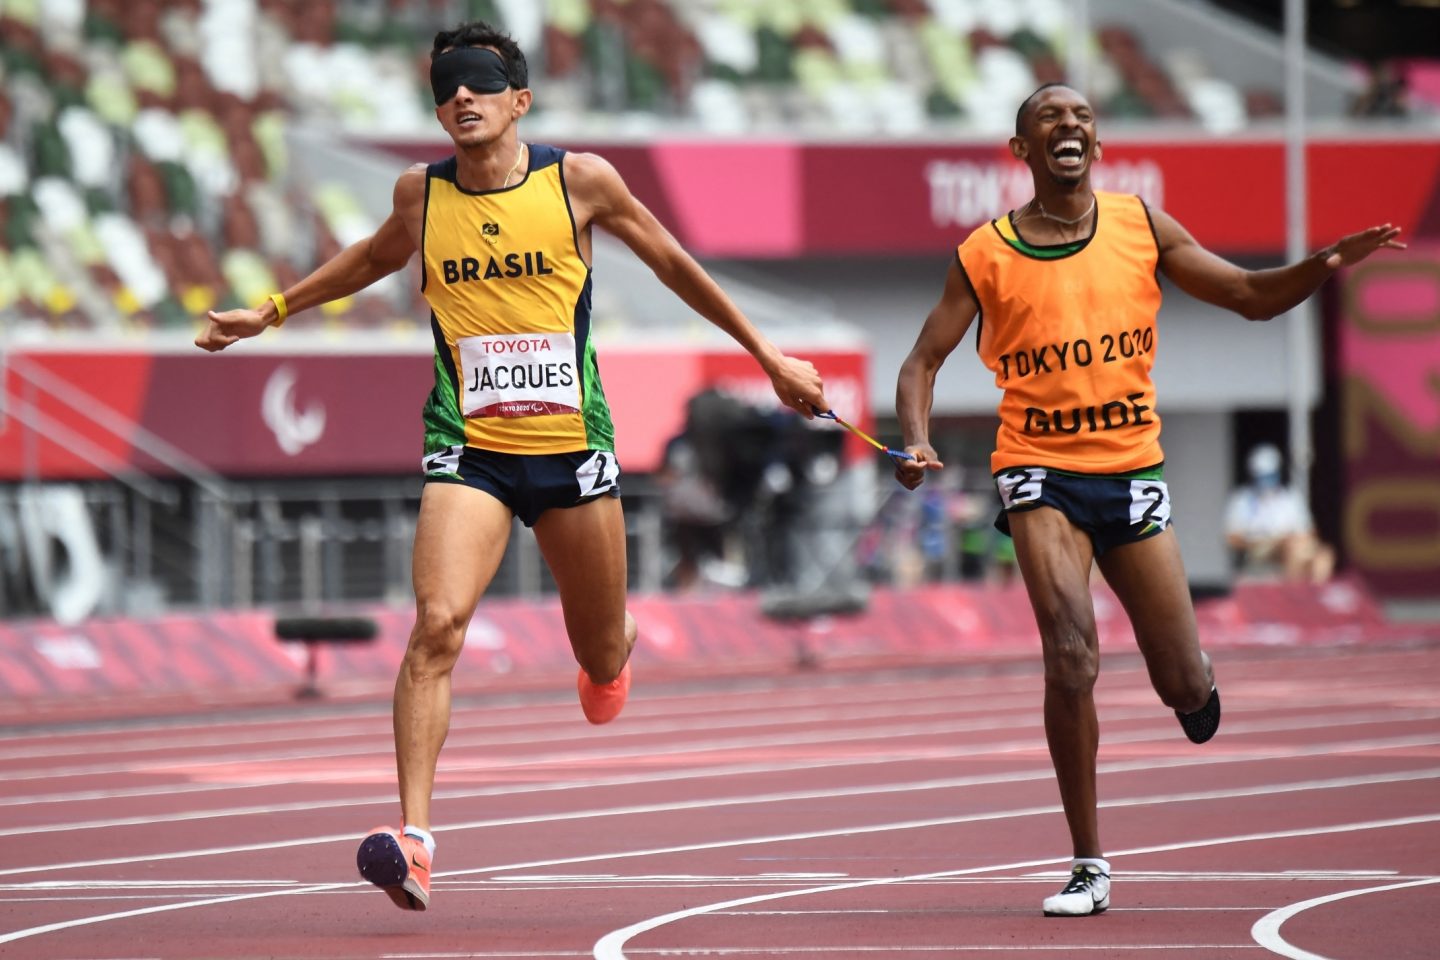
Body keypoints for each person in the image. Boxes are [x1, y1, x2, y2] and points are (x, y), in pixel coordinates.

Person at [195, 20, 828, 912]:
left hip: (571, 451)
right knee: (436, 627)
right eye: (446, 85)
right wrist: (271, 308)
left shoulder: (580, 180)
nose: (461, 97)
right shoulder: (420, 193)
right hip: (470, 449)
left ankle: (616, 646)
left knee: (599, 660)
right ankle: (414, 842)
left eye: (480, 83)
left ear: (519, 101)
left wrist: (768, 358)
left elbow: (676, 263)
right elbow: (376, 257)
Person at [894, 82, 1404, 918]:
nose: (1070, 125)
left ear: (1096, 146)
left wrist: (1327, 263)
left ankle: (1196, 682)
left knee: (1180, 683)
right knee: (1071, 652)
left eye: (1083, 117)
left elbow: (1246, 296)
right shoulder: (984, 253)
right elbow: (920, 361)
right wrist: (914, 438)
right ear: (1022, 152)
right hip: (1038, 468)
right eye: (1049, 119)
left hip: (1131, 472)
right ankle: (1088, 862)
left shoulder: (1140, 225)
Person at [1224, 443, 1335, 583]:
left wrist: (1292, 539)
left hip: (1291, 544)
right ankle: (1292, 594)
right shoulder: (1242, 500)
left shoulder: (1290, 499)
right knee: (1291, 550)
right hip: (1258, 548)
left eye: (1270, 475)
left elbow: (1309, 531)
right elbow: (1231, 538)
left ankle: (1316, 596)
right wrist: (1262, 542)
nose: (1266, 481)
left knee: (1323, 556)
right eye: (1262, 476)